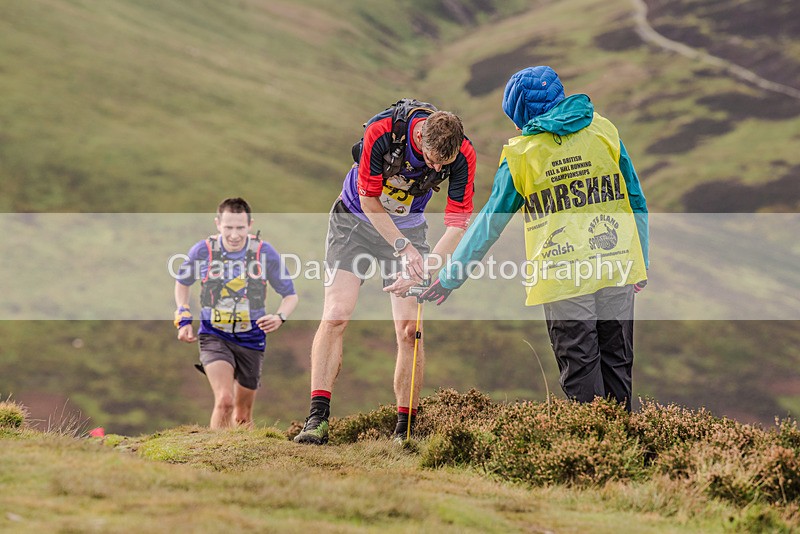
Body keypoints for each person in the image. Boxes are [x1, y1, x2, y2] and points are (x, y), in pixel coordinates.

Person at [421, 66, 649, 412]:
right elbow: (636, 200)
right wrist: (640, 261)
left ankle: (595, 460)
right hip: (617, 266)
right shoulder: (604, 131)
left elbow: (488, 225)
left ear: (523, 114)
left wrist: (451, 277)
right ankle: (624, 458)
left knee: (582, 380)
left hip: (563, 279)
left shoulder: (522, 154)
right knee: (618, 369)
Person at [293, 100, 477, 444]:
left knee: (410, 330)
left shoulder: (463, 154)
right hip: (355, 220)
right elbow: (369, 200)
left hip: (410, 225)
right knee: (336, 314)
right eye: (431, 160)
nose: (436, 168)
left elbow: (457, 222)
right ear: (420, 136)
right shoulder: (383, 132)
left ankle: (404, 431)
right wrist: (404, 249)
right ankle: (316, 420)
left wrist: (424, 266)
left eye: (443, 164)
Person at [173, 197, 298, 428]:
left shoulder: (264, 252)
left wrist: (279, 317)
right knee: (225, 401)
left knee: (242, 415)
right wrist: (183, 316)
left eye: (240, 228)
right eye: (228, 227)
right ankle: (212, 457)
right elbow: (182, 282)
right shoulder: (203, 250)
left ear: (250, 225)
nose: (234, 234)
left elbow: (290, 295)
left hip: (252, 338)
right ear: (217, 224)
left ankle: (239, 460)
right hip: (214, 335)